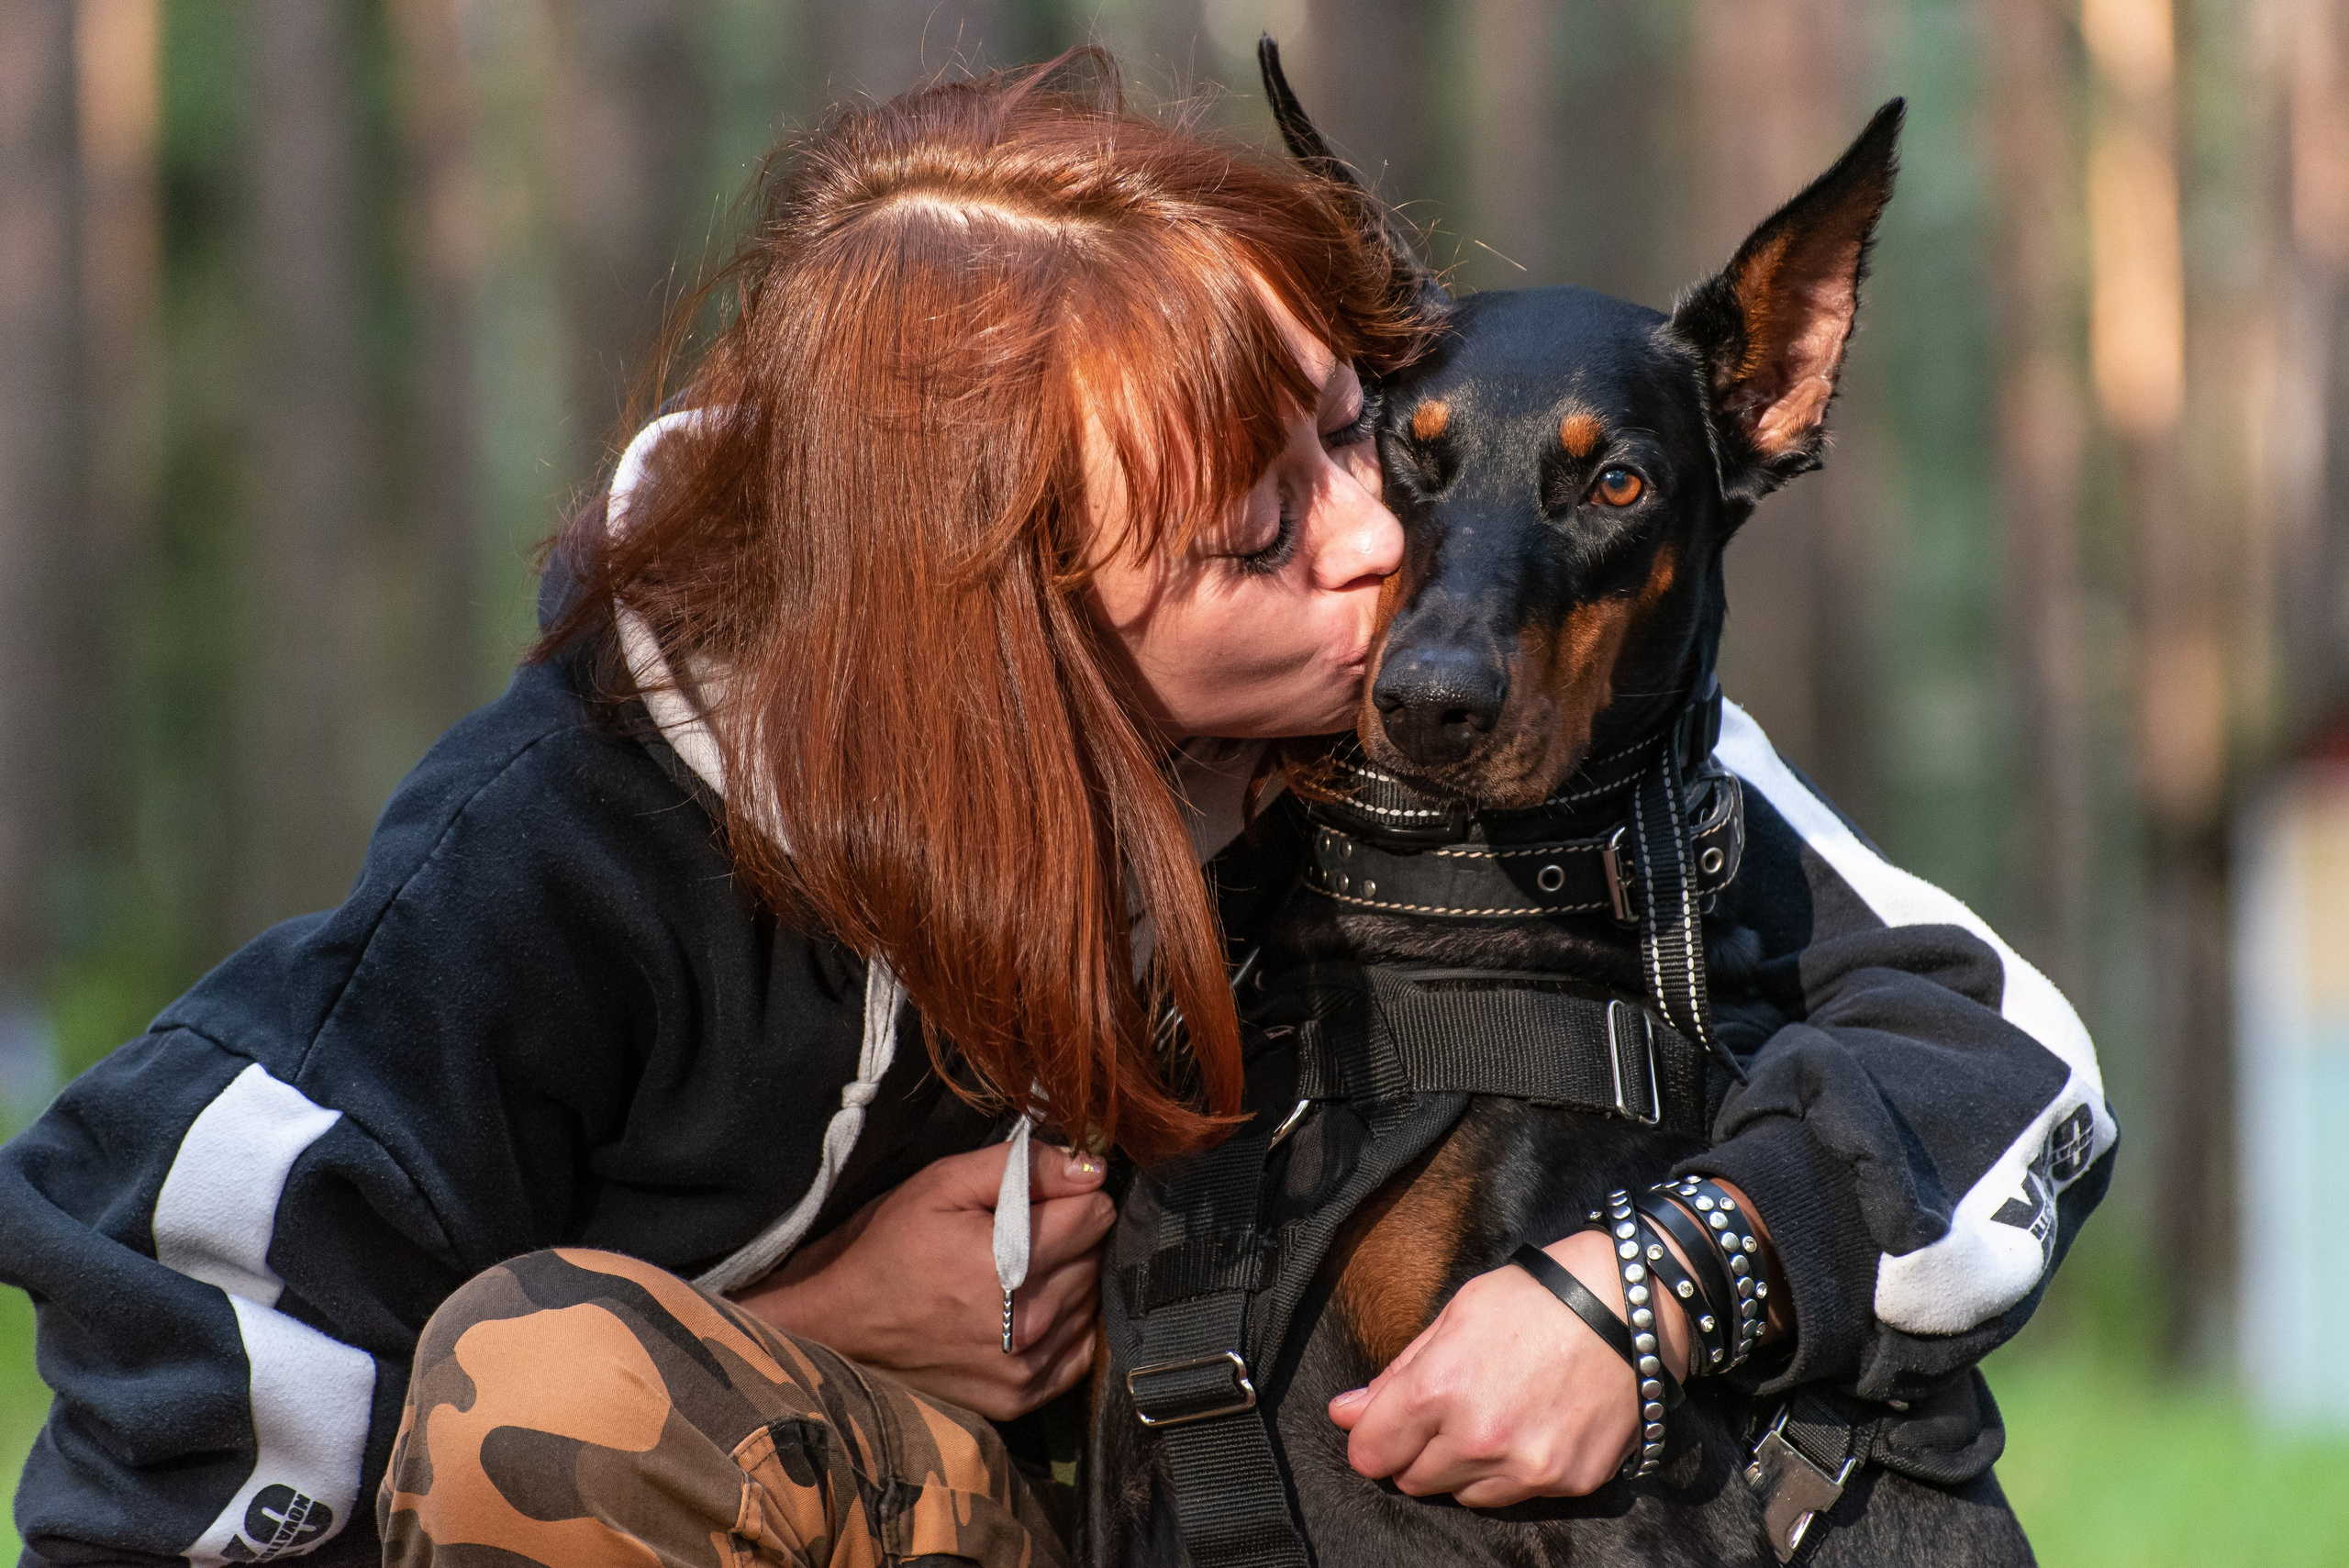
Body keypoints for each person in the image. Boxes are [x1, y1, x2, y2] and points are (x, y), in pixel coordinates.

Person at [0, 54, 2111, 1568]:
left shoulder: (1482, 743)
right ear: (1007, 625)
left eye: (1341, 445)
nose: (1394, 570)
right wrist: (793, 1318)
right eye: (1263, 532)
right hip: (872, 1495)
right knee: (553, 1394)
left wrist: (1638, 1289)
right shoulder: (567, 852)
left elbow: (1997, 1048)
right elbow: (192, 1296)